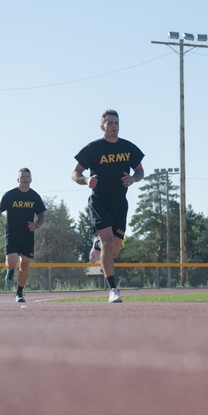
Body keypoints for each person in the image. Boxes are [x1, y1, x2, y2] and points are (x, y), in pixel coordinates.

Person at [72, 109, 145, 303]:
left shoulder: (128, 147)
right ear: (102, 126)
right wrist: (86, 180)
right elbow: (75, 173)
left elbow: (140, 171)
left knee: (115, 249)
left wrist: (133, 178)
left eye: (116, 123)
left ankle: (96, 245)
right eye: (110, 123)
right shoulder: (93, 149)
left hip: (120, 202)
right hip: (100, 200)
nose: (114, 126)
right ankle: (113, 289)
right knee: (107, 242)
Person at [0, 168, 46, 303]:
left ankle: (19, 293)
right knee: (12, 261)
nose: (25, 179)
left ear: (31, 180)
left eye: (27, 177)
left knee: (25, 264)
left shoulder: (34, 196)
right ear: (18, 179)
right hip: (12, 234)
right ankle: (10, 271)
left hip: (27, 236)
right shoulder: (10, 195)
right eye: (22, 177)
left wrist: (36, 225)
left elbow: (41, 215)